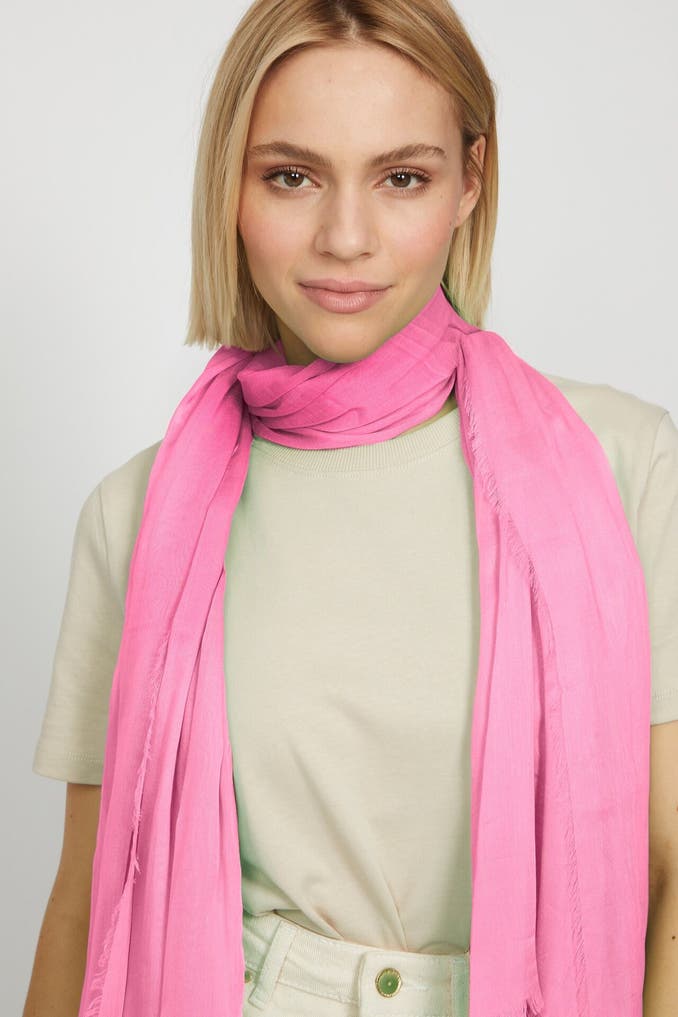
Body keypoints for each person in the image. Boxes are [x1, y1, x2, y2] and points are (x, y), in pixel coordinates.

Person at [23, 1, 678, 1016]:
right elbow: (86, 905)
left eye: (401, 177)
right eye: (292, 176)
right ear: (231, 186)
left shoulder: (624, 465)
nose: (345, 238)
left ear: (470, 182)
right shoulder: (139, 513)